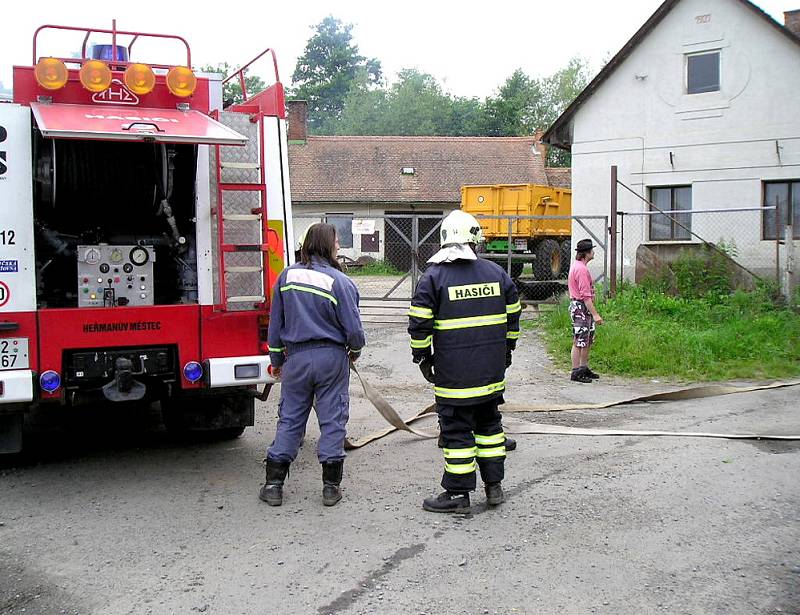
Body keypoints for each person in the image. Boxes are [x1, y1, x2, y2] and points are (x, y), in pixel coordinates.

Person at [408, 210, 521, 513]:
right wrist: (507, 350)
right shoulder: (498, 274)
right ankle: (494, 487)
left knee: (457, 431)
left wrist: (422, 357)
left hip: (454, 378)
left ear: (445, 240)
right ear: (475, 240)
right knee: (490, 428)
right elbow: (514, 317)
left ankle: (458, 494)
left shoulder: (433, 278)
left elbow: (419, 324)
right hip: (491, 374)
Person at [259, 223, 365, 507]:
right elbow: (354, 331)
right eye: (338, 242)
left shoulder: (286, 277)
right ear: (328, 245)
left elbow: (276, 325)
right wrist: (353, 352)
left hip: (296, 359)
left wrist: (277, 360)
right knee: (332, 420)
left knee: (291, 419)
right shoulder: (340, 282)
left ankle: (273, 485)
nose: (339, 246)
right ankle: (331, 488)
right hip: (331, 359)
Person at [567, 239, 603, 383]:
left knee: (587, 339)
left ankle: (583, 367)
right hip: (581, 307)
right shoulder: (581, 269)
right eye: (592, 250)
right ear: (586, 253)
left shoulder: (578, 266)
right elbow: (585, 296)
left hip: (582, 307)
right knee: (579, 340)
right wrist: (595, 314)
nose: (593, 252)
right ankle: (576, 371)